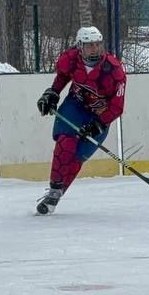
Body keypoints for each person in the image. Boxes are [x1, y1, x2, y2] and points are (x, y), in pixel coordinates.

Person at [33, 26, 127, 214]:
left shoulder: (114, 70)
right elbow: (62, 77)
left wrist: (98, 125)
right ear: (79, 46)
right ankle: (54, 188)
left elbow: (117, 106)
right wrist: (53, 93)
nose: (94, 48)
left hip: (100, 114)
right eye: (89, 45)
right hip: (75, 106)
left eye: (97, 44)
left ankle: (57, 195)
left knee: (77, 158)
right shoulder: (70, 59)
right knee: (65, 142)